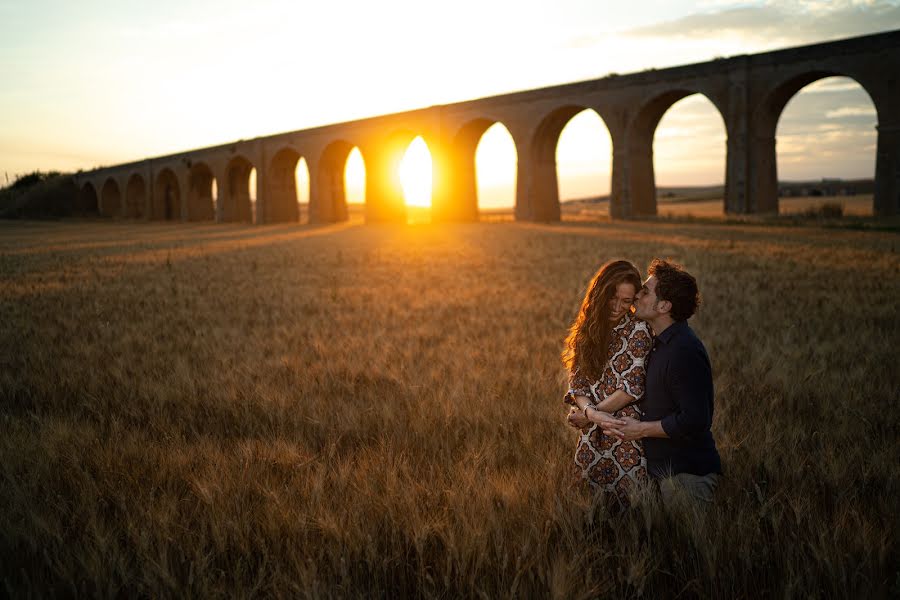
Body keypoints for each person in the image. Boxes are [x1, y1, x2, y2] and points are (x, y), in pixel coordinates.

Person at [601, 259, 722, 507]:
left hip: (687, 478)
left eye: (645, 292)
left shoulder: (684, 350)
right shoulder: (657, 342)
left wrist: (641, 429)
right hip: (662, 475)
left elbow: (696, 419)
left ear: (664, 305)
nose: (636, 296)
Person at [562, 260, 654, 511]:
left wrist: (591, 415)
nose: (618, 307)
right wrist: (591, 415)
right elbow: (577, 384)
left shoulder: (639, 329)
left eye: (626, 301)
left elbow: (631, 388)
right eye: (613, 297)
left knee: (628, 512)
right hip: (591, 436)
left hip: (623, 433)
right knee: (586, 509)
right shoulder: (588, 329)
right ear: (601, 293)